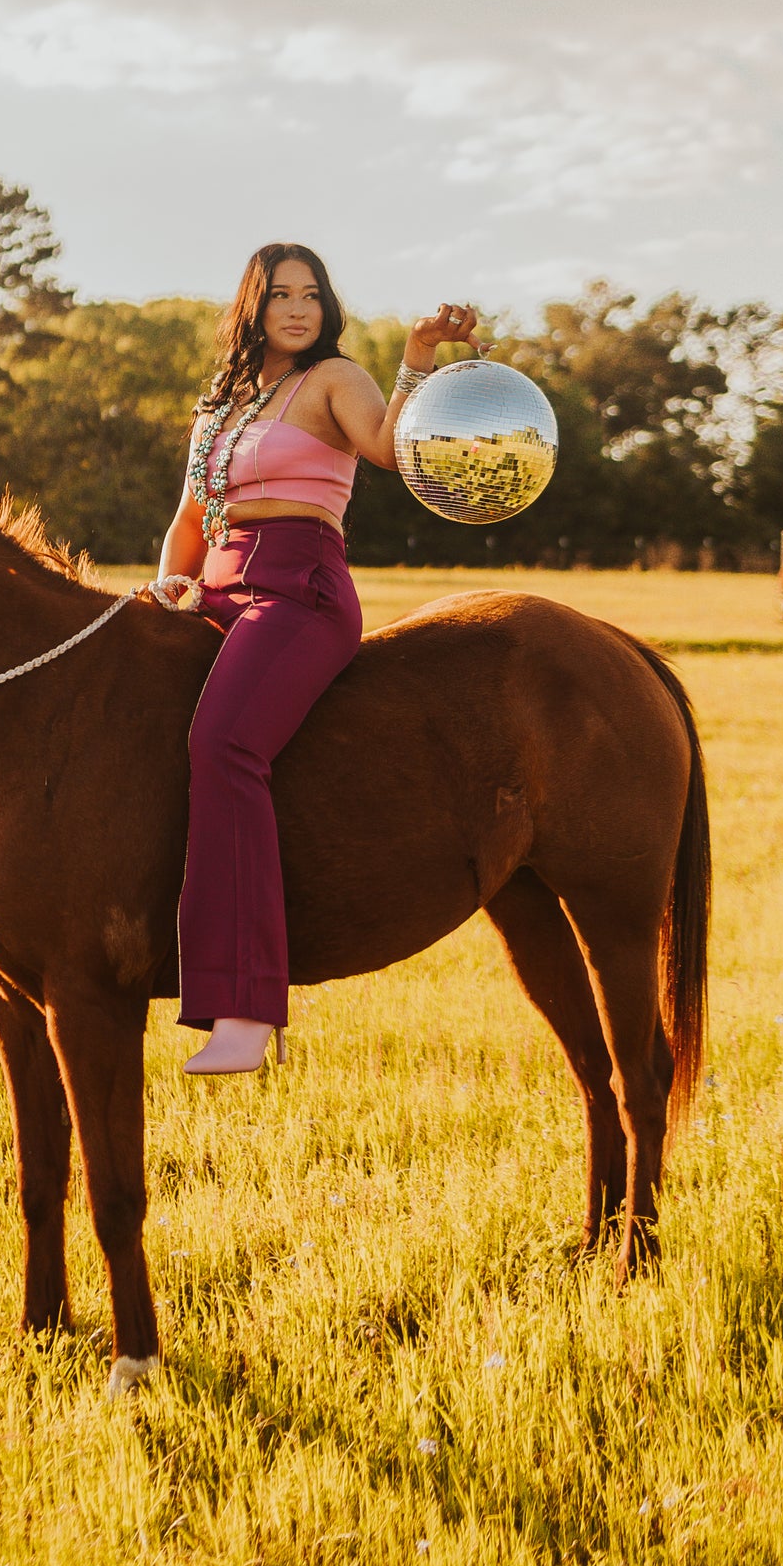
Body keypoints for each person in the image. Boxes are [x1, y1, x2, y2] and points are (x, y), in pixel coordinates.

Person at [152, 242, 482, 1074]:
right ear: (252, 308)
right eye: (279, 296)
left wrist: (414, 356)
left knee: (223, 746)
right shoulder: (219, 405)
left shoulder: (335, 379)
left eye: (310, 294)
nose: (297, 309)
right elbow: (190, 519)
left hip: (296, 590)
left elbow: (385, 449)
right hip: (215, 587)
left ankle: (246, 1010)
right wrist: (167, 584)